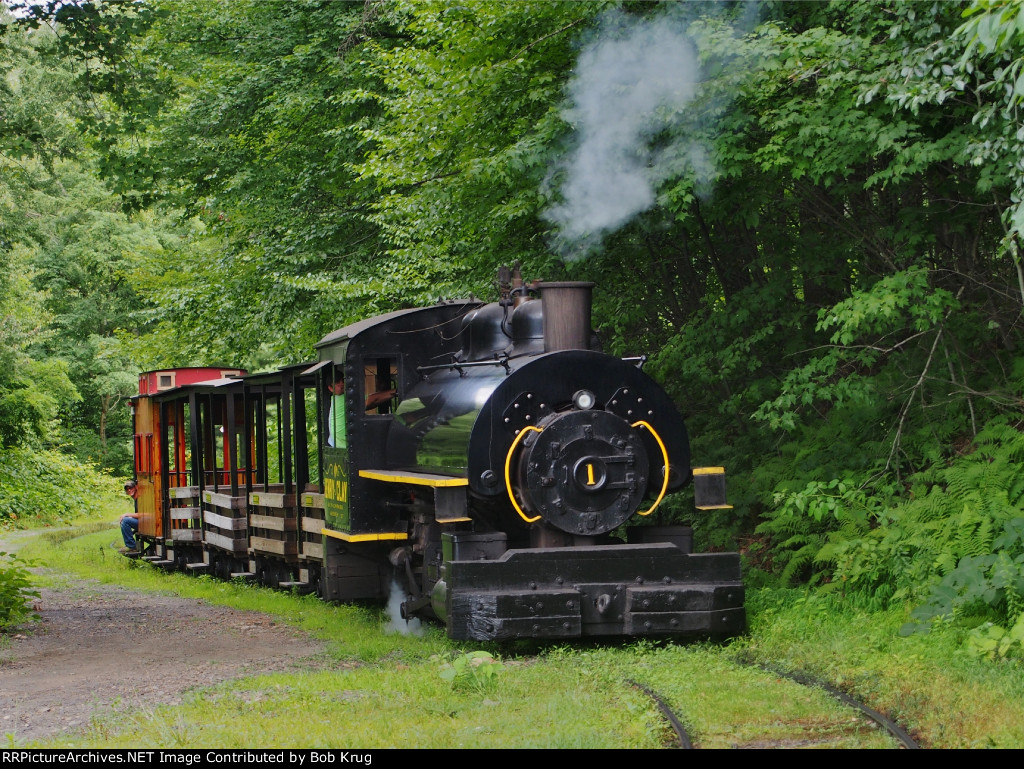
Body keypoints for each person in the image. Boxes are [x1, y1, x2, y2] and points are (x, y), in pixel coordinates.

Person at [120, 480, 140, 555]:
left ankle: (131, 546)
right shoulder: (136, 499)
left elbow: (142, 515)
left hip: (147, 523)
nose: (129, 490)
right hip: (144, 522)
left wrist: (126, 514)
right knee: (125, 520)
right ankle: (130, 545)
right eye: (127, 489)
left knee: (125, 521)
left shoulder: (140, 499)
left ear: (135, 488)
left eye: (131, 488)